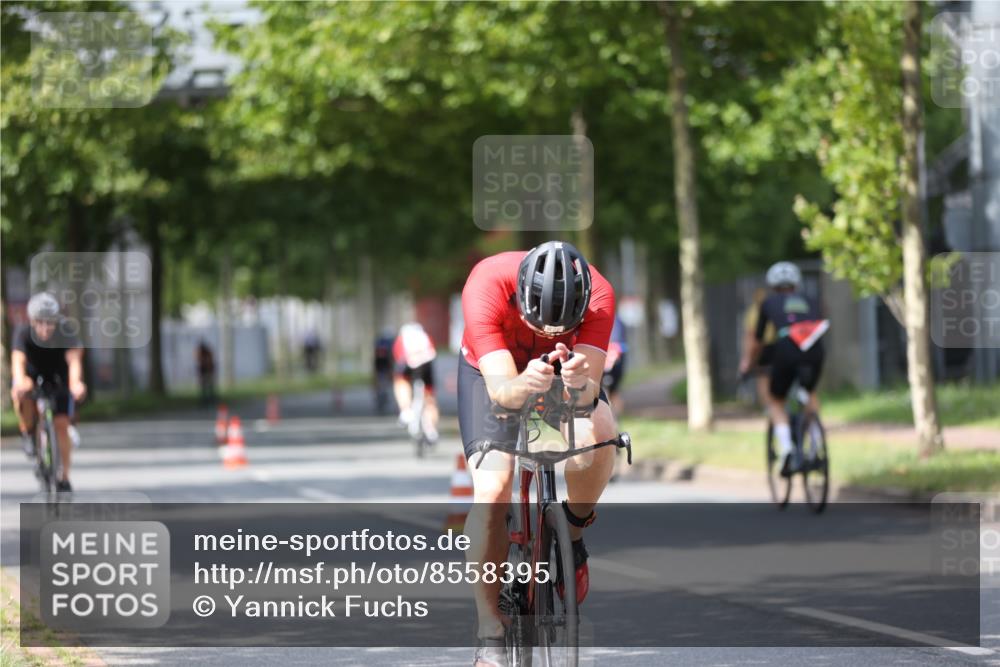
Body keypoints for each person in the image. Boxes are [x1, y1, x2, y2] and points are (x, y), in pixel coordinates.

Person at [458, 241, 616, 667]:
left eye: (560, 326)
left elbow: (587, 397)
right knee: (493, 488)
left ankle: (573, 532)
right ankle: (490, 629)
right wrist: (525, 382)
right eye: (539, 323)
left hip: (557, 374)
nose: (548, 334)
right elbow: (504, 395)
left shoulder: (599, 296)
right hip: (494, 374)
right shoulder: (485, 286)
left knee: (600, 433)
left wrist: (579, 382)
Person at [739, 262, 828, 476]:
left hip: (785, 349)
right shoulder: (811, 300)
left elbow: (757, 339)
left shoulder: (768, 303)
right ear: (796, 283)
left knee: (776, 401)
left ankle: (787, 450)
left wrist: (748, 364)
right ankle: (816, 445)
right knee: (809, 393)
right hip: (815, 349)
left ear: (772, 285)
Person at [11, 292, 87, 492]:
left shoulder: (67, 331)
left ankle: (64, 476)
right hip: (33, 377)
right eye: (40, 322)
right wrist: (21, 381)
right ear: (32, 321)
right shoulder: (23, 333)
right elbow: (18, 362)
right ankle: (27, 431)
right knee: (20, 391)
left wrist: (76, 383)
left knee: (62, 425)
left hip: (59, 378)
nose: (45, 328)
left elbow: (74, 362)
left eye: (50, 322)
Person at [392, 322, 439, 442]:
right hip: (426, 363)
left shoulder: (401, 339)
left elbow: (398, 358)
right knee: (429, 397)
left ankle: (406, 410)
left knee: (400, 381)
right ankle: (431, 429)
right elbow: (433, 352)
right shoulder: (425, 336)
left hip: (409, 363)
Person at [741, 287, 777, 407]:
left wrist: (747, 358)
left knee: (763, 380)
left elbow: (751, 336)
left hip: (763, 348)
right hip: (778, 346)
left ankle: (769, 407)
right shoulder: (774, 308)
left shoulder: (753, 312)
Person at [602, 314, 628, 414]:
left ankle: (615, 420)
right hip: (608, 359)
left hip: (613, 361)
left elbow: (615, 346)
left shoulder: (615, 321)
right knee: (612, 393)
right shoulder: (616, 320)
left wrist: (609, 362)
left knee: (612, 392)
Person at [373, 329, 396, 414]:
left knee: (382, 384)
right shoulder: (388, 345)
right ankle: (380, 397)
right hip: (382, 367)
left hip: (383, 367)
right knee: (382, 384)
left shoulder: (380, 345)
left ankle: (381, 397)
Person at [195, 339, 216, 405]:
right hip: (203, 371)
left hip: (208, 371)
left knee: (209, 386)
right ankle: (205, 400)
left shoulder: (207, 353)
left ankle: (210, 399)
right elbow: (198, 360)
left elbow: (209, 363)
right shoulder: (201, 354)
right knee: (204, 387)